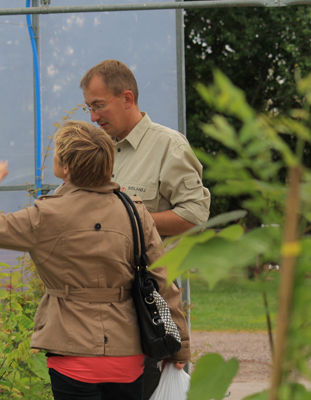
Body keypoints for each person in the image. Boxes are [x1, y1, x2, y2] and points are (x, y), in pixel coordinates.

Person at [0, 121, 189, 400]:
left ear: (66, 168)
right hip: (127, 355)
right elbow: (163, 281)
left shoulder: (46, 215)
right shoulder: (134, 210)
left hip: (71, 353)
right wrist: (180, 346)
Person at [80, 59, 211, 397]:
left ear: (127, 98)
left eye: (98, 105)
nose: (93, 117)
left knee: (145, 389)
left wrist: (128, 217)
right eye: (89, 108)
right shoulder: (99, 150)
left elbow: (196, 213)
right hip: (96, 307)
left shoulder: (169, 146)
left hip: (146, 304)